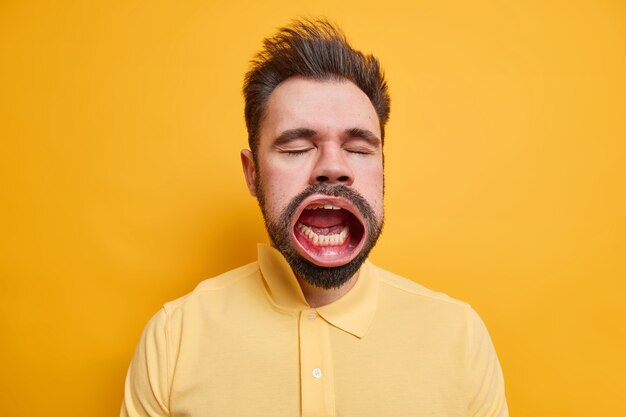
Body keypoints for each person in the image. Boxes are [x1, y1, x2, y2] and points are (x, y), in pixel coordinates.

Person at [121, 19, 508, 417]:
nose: (333, 167)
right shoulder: (173, 338)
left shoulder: (459, 337)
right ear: (252, 174)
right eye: (297, 148)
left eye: (358, 148)